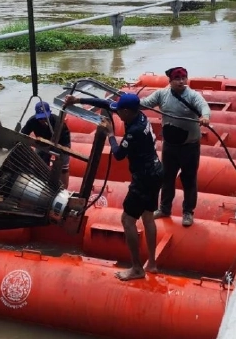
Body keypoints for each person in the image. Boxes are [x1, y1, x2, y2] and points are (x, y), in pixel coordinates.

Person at [63, 91, 164, 280]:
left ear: (127, 111)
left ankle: (136, 268)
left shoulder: (134, 131)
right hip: (157, 170)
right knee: (148, 217)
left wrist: (110, 134)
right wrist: (78, 100)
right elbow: (105, 103)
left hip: (144, 177)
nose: (117, 114)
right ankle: (152, 263)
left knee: (127, 220)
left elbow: (118, 155)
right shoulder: (139, 114)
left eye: (120, 112)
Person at [139, 66, 211, 227]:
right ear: (170, 81)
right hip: (170, 146)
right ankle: (164, 209)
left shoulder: (192, 95)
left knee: (189, 180)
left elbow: (204, 106)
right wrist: (130, 102)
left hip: (189, 147)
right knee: (167, 179)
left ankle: (188, 212)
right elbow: (145, 103)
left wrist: (205, 116)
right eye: (177, 79)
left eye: (183, 78)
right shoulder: (161, 94)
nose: (181, 82)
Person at [21, 101, 72, 189]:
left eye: (45, 117)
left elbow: (65, 141)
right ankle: (41, 186)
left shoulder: (58, 122)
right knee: (40, 164)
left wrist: (60, 150)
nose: (43, 120)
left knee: (63, 167)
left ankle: (64, 189)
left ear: (49, 114)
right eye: (40, 118)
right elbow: (23, 135)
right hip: (43, 143)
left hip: (61, 143)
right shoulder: (32, 121)